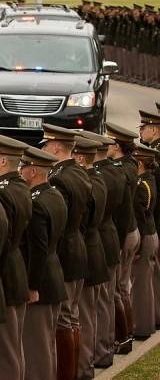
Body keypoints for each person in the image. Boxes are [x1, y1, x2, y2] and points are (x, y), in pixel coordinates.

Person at [39, 124, 92, 380]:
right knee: (72, 317)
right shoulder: (80, 173)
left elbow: (56, 219)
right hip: (78, 246)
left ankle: (67, 374)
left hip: (66, 253)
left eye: (46, 146)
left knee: (64, 321)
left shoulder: (59, 177)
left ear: (57, 147)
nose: (45, 150)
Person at [0, 133, 31, 380]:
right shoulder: (20, 186)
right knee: (13, 346)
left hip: (5, 272)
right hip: (17, 268)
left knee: (4, 350)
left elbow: (0, 237)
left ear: (4, 161)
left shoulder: (1, 193)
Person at [19, 147, 68, 380]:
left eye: (23, 167)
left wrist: (32, 286)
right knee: (47, 344)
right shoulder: (54, 195)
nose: (20, 172)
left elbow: (38, 249)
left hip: (42, 281)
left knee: (37, 347)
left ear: (33, 171)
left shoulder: (36, 203)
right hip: (54, 274)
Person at [79, 130, 120, 369]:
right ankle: (101, 351)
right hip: (106, 241)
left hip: (97, 245)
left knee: (90, 310)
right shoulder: (108, 175)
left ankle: (91, 359)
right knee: (101, 304)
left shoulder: (93, 181)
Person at [72, 136, 110, 380]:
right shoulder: (97, 179)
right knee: (90, 312)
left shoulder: (88, 183)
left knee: (84, 315)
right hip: (96, 249)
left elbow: (83, 224)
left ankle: (85, 368)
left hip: (89, 250)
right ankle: (92, 359)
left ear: (79, 157)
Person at [105, 122, 141, 355]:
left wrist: (117, 244)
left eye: (109, 142)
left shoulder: (121, 171)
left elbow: (123, 210)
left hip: (124, 233)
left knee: (118, 289)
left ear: (116, 146)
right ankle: (127, 335)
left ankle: (123, 337)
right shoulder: (128, 166)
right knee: (123, 288)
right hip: (130, 232)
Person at [130, 143, 159, 339]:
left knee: (140, 285)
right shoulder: (148, 180)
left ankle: (140, 327)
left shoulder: (142, 184)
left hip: (146, 235)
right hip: (151, 233)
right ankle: (149, 322)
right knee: (146, 283)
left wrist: (137, 245)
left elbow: (140, 217)